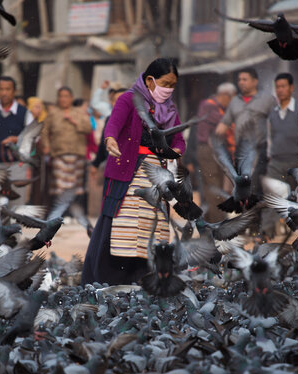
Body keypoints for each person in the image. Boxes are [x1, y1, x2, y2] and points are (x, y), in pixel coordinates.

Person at [81, 58, 186, 287]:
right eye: (165, 83)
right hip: (128, 172)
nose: (169, 89)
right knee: (121, 226)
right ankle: (111, 279)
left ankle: (144, 278)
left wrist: (175, 150)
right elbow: (113, 125)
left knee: (152, 226)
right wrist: (110, 140)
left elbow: (178, 139)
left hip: (157, 176)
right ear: (150, 80)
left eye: (173, 85)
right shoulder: (128, 99)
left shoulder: (169, 109)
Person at [215, 67, 275, 198]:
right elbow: (224, 124)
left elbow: (277, 123)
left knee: (254, 184)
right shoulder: (235, 101)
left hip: (261, 150)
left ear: (255, 81)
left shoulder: (267, 99)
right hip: (242, 151)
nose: (241, 82)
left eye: (245, 79)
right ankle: (253, 215)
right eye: (239, 80)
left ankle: (256, 216)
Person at [0, 76, 34, 211]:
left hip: (17, 164)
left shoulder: (24, 113)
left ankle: (15, 232)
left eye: (8, 89)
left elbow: (34, 137)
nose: (4, 93)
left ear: (14, 91)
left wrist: (16, 139)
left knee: (17, 201)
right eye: (1, 89)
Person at [186, 82, 236, 222]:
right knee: (213, 188)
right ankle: (217, 221)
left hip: (214, 151)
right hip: (208, 151)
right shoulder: (208, 106)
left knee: (214, 187)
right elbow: (225, 124)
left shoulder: (215, 107)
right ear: (226, 96)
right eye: (232, 99)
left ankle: (210, 221)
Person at [40, 86, 92, 207]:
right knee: (60, 185)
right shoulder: (53, 113)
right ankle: (62, 212)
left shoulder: (79, 112)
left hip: (77, 153)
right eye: (61, 96)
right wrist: (46, 145)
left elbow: (89, 128)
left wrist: (75, 122)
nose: (63, 99)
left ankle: (73, 211)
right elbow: (44, 131)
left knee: (75, 185)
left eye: (66, 96)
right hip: (58, 153)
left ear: (71, 98)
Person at [267, 72, 298, 187]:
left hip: (295, 162)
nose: (280, 90)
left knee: (295, 199)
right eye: (277, 87)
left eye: (283, 86)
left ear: (291, 88)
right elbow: (269, 139)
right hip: (275, 164)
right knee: (275, 198)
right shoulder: (272, 113)